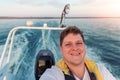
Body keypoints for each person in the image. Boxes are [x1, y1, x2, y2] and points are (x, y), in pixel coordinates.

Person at [40, 26, 116, 80]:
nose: (75, 48)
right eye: (68, 44)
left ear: (84, 46)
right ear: (61, 49)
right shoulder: (54, 74)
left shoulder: (101, 70)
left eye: (79, 43)